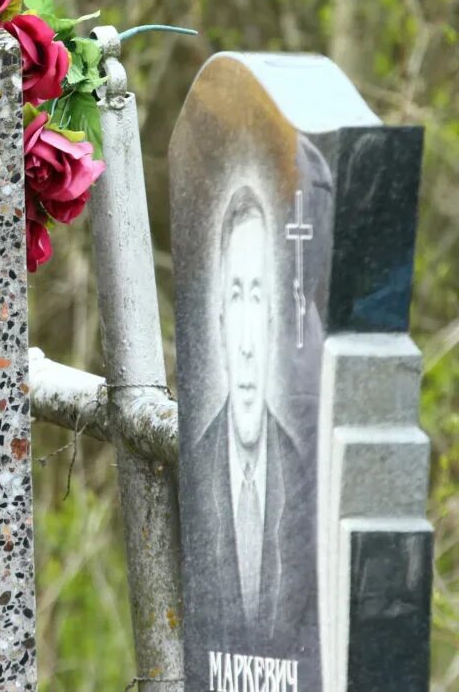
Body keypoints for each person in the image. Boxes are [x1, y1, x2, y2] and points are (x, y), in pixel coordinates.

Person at [188, 182, 312, 650]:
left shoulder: (301, 475)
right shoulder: (194, 466)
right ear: (219, 320)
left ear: (273, 321)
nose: (244, 343)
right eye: (235, 295)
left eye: (256, 296)